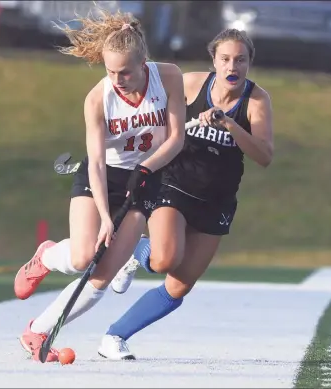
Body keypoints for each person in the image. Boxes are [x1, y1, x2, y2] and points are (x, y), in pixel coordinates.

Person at [13, 7, 186, 362]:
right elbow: (93, 161)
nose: (117, 79)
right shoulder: (98, 98)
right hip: (102, 175)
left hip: (147, 178)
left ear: (144, 63)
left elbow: (176, 139)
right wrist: (106, 217)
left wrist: (146, 169)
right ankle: (46, 255)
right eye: (110, 71)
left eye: (125, 72)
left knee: (102, 275)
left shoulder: (168, 76)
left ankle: (37, 332)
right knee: (82, 257)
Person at [100, 28, 274, 360]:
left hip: (218, 198)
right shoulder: (191, 83)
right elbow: (147, 107)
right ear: (214, 60)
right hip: (175, 184)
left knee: (179, 285)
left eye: (240, 59)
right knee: (165, 259)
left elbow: (264, 156)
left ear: (250, 62)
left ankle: (115, 335)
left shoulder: (256, 100)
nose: (232, 67)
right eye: (225, 59)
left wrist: (231, 125)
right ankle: (139, 250)